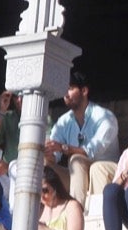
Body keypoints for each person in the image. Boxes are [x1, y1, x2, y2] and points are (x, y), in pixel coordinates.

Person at [44, 71, 120, 209]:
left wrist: (63, 148)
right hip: (78, 176)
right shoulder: (64, 121)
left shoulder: (105, 117)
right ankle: (43, 218)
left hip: (107, 171)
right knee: (43, 166)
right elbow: (54, 157)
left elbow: (91, 151)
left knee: (78, 161)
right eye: (64, 90)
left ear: (84, 91)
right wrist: (47, 153)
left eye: (70, 88)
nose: (66, 94)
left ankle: (76, 213)